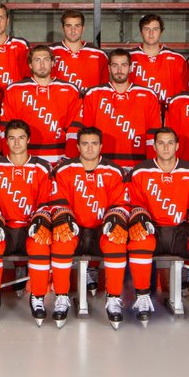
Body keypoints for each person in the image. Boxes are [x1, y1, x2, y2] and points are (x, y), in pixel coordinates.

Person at [125, 127, 189, 327]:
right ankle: (142, 297)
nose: (166, 147)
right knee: (139, 238)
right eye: (161, 143)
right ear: (154, 146)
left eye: (170, 143)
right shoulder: (140, 172)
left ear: (177, 146)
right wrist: (139, 218)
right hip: (154, 229)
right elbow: (135, 205)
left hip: (180, 231)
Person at [0, 120, 70, 326]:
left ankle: (37, 296)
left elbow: (46, 200)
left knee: (40, 242)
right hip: (4, 227)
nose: (17, 143)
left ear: (28, 140)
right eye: (12, 138)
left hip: (30, 227)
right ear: (6, 141)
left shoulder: (42, 167)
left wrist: (40, 218)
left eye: (21, 138)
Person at [51, 127, 129, 328]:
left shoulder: (114, 171)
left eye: (94, 143)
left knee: (116, 239)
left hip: (101, 230)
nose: (89, 148)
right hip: (75, 229)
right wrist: (64, 219)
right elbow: (58, 201)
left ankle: (113, 298)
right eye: (85, 144)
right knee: (61, 238)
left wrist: (114, 220)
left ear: (101, 146)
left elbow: (121, 203)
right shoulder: (64, 170)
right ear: (78, 146)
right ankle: (61, 296)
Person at [78, 48, 161, 168]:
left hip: (138, 164)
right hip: (102, 164)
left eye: (124, 65)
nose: (119, 70)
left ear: (131, 68)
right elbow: (86, 132)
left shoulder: (148, 95)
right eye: (115, 65)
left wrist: (151, 165)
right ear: (109, 68)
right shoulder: (93, 94)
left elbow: (153, 135)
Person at [1, 44, 82, 164]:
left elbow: (75, 127)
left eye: (46, 59)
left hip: (60, 157)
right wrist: (11, 158)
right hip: (25, 158)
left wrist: (69, 157)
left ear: (53, 63)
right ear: (30, 65)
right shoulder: (14, 90)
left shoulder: (70, 90)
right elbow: (6, 128)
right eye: (37, 60)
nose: (42, 64)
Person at [129, 13, 188, 105]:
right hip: (137, 110)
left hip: (168, 111)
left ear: (161, 32)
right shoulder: (128, 58)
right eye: (147, 29)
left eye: (155, 29)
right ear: (141, 32)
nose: (151, 33)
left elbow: (183, 93)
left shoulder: (177, 59)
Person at [51, 9, 108, 91]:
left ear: (83, 28)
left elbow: (105, 88)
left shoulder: (99, 55)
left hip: (89, 99)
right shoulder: (50, 52)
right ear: (62, 28)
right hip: (58, 99)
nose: (73, 30)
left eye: (77, 26)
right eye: (68, 26)